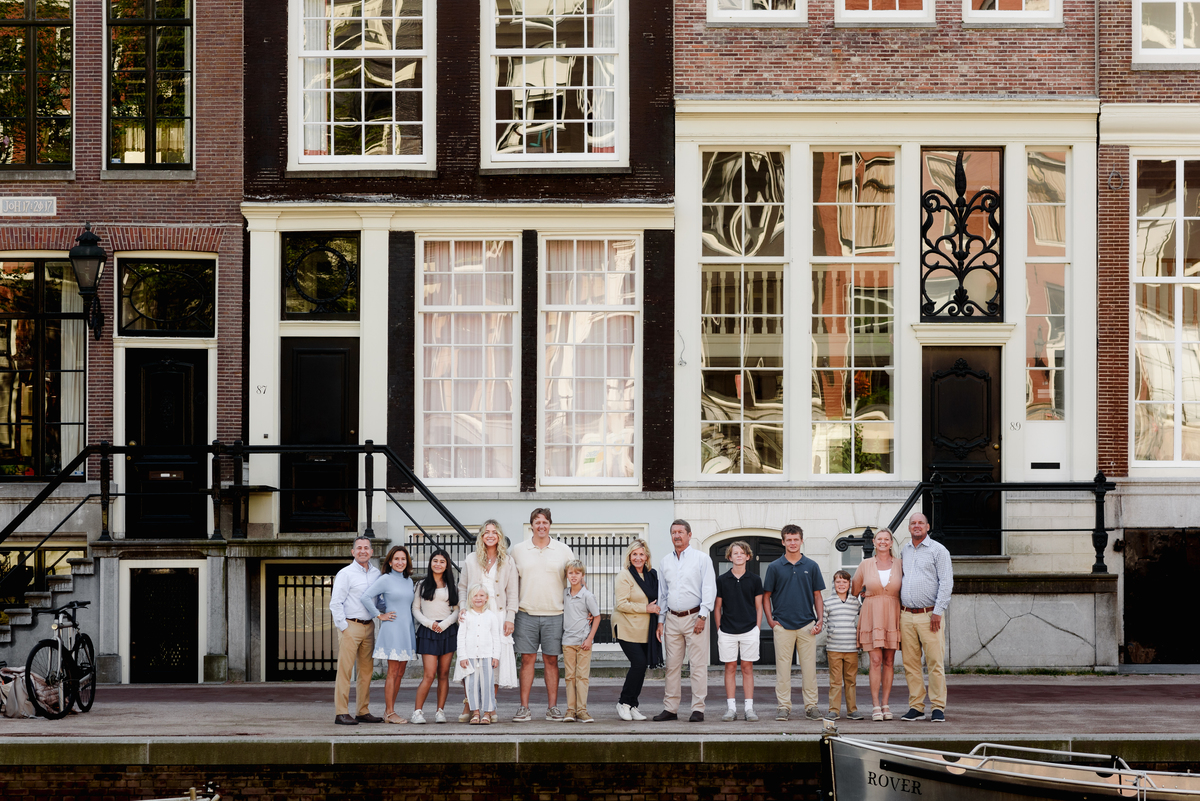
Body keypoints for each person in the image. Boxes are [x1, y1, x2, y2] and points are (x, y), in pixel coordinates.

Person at [509, 507, 574, 722]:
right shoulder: (518, 550)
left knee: (551, 661)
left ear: (550, 525)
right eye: (537, 522)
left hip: (555, 613)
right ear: (532, 526)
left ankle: (552, 708)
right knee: (526, 660)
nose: (541, 526)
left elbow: (575, 580)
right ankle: (524, 708)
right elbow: (510, 583)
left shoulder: (563, 550)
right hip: (526, 613)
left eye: (545, 522)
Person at [456, 520, 519, 724]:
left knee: (493, 663)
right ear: (481, 536)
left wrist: (510, 617)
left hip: (498, 616)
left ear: (499, 536)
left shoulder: (507, 561)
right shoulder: (471, 559)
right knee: (472, 660)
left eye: (494, 532)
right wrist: (463, 608)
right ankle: (469, 705)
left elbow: (513, 593)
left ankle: (490, 708)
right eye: (486, 532)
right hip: (474, 615)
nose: (490, 535)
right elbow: (462, 586)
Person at [654, 519, 717, 722]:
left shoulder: (702, 559)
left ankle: (698, 708)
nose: (677, 535)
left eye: (681, 532)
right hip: (672, 619)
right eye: (673, 532)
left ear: (689, 535)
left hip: (694, 618)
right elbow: (662, 594)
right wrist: (661, 621)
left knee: (697, 665)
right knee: (672, 666)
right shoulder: (665, 562)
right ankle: (670, 708)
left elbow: (709, 588)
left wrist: (703, 615)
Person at [763, 524, 826, 722]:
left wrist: (820, 619)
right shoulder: (774, 567)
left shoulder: (811, 566)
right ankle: (783, 706)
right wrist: (771, 620)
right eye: (788, 539)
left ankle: (811, 706)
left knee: (809, 669)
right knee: (783, 670)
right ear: (783, 542)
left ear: (801, 541)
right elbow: (766, 596)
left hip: (807, 624)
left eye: (795, 539)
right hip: (782, 625)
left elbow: (817, 596)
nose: (792, 543)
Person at [898, 512, 954, 723]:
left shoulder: (939, 550)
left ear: (927, 526)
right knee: (910, 664)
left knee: (935, 662)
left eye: (921, 523)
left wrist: (938, 611)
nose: (917, 526)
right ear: (909, 527)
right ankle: (916, 706)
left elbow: (946, 583)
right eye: (913, 523)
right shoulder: (904, 550)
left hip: (930, 615)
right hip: (906, 615)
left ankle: (938, 707)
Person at [360, 545, 417, 725]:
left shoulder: (409, 581)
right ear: (390, 562)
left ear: (407, 561)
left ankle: (388, 711)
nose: (400, 562)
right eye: (397, 559)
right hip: (392, 629)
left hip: (406, 630)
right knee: (392, 672)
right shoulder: (385, 579)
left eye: (403, 559)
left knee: (400, 672)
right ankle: (390, 712)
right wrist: (379, 615)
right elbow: (365, 597)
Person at [329, 536, 383, 726]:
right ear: (353, 552)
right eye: (359, 548)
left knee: (366, 672)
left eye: (366, 548)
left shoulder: (376, 573)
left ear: (371, 552)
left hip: (369, 626)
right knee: (345, 671)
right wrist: (343, 627)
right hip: (350, 626)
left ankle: (362, 711)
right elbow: (335, 603)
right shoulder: (346, 573)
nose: (363, 551)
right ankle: (341, 712)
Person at [852, 527, 903, 721]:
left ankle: (886, 704)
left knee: (889, 661)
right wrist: (866, 596)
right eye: (879, 539)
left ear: (891, 543)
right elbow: (855, 589)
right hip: (872, 615)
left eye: (886, 539)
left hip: (892, 614)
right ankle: (875, 705)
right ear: (874, 542)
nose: (882, 542)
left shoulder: (900, 564)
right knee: (875, 661)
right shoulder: (865, 565)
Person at [612, 538, 662, 721]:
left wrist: (658, 622)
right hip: (626, 626)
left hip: (644, 628)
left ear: (647, 556)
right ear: (629, 556)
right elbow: (621, 604)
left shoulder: (651, 575)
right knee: (639, 663)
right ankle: (623, 703)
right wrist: (646, 608)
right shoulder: (624, 575)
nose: (638, 558)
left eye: (641, 554)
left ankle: (633, 705)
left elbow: (658, 600)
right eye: (634, 554)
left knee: (640, 668)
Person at [713, 540, 763, 722]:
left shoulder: (755, 580)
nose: (739, 555)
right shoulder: (722, 579)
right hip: (727, 631)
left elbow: (759, 607)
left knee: (747, 668)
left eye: (742, 553)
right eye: (735, 553)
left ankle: (749, 708)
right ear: (730, 557)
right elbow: (717, 607)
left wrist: (757, 628)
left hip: (750, 630)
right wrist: (719, 629)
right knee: (730, 667)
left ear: (748, 557)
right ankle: (731, 708)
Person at [410, 549, 460, 724]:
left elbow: (457, 610)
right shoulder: (421, 585)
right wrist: (430, 624)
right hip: (428, 631)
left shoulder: (452, 586)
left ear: (447, 565)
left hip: (448, 631)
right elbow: (415, 609)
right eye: (435, 561)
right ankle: (417, 712)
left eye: (442, 561)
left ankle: (440, 711)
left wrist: (445, 624)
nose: (438, 564)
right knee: (429, 675)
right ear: (430, 563)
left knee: (444, 674)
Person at [454, 584, 502, 725]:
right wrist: (462, 656)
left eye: (481, 595)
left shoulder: (491, 616)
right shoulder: (466, 616)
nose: (478, 598)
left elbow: (496, 637)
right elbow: (461, 637)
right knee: (472, 685)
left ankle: (487, 713)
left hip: (487, 656)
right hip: (470, 657)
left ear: (487, 598)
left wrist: (496, 656)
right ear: (470, 598)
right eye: (475, 595)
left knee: (487, 685)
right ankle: (475, 712)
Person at [561, 559, 601, 723]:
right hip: (568, 642)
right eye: (571, 573)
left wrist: (590, 638)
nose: (574, 576)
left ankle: (582, 710)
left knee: (582, 677)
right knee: (570, 677)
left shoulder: (587, 595)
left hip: (583, 642)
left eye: (577, 573)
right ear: (567, 575)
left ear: (582, 575)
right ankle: (571, 710)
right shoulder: (564, 593)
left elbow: (597, 617)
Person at [824, 568, 864, 722]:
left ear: (849, 584)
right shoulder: (828, 602)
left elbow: (862, 620)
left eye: (844, 582)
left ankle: (852, 710)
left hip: (852, 648)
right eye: (838, 581)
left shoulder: (855, 603)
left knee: (851, 680)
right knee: (835, 681)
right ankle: (833, 710)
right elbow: (824, 622)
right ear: (834, 584)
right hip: (834, 648)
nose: (841, 584)